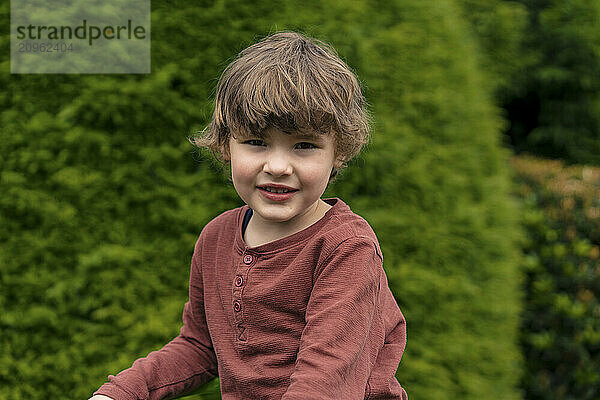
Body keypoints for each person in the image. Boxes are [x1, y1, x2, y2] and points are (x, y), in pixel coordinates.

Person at [90, 31, 407, 400]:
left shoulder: (347, 247)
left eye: (304, 146)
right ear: (226, 145)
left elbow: (327, 377)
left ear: (339, 152)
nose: (277, 166)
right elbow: (199, 346)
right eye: (256, 142)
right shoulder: (216, 237)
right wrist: (121, 392)